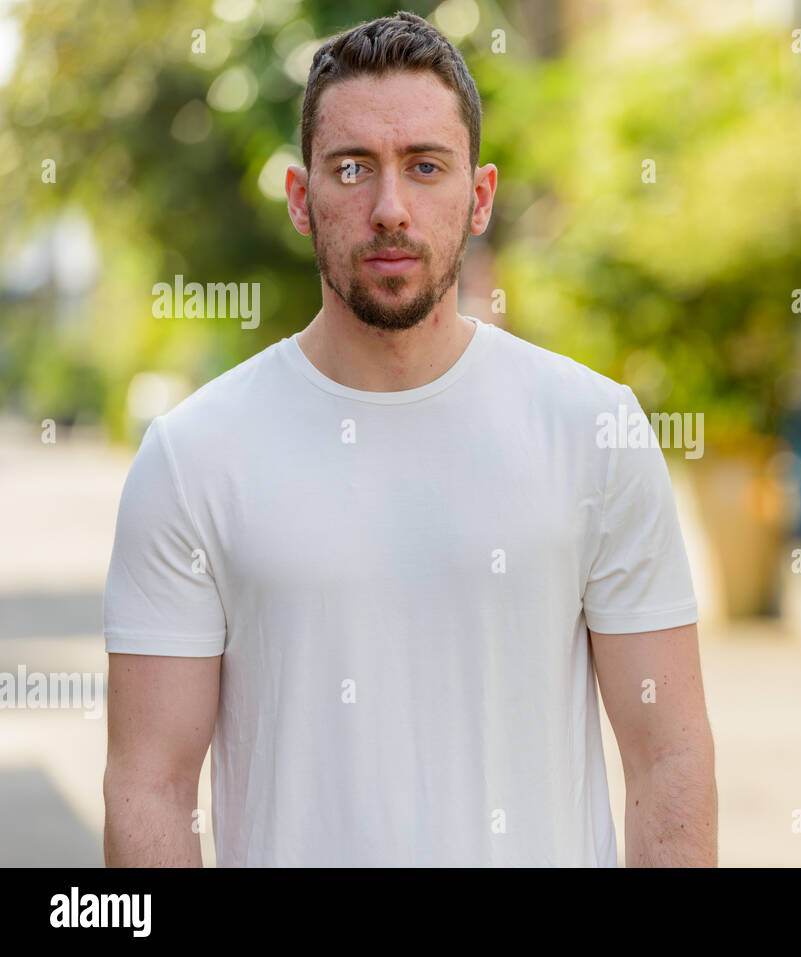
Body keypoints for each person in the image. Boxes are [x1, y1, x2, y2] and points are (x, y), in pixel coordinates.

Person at [102, 11, 716, 867]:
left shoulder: (595, 430)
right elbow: (150, 789)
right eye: (352, 168)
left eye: (424, 167)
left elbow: (668, 758)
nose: (389, 208)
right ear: (300, 198)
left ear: (479, 197)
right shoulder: (192, 457)